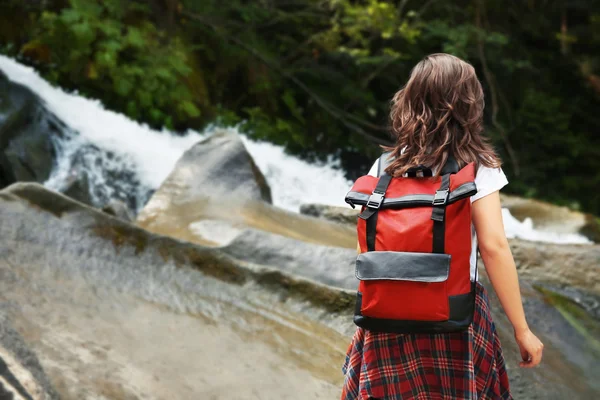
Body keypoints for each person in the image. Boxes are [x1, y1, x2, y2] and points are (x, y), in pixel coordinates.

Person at [341, 53, 544, 400]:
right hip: (453, 312)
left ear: (410, 99)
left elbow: (367, 246)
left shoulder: (385, 165)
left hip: (387, 312)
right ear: (469, 104)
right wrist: (522, 329)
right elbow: (493, 247)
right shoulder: (477, 164)